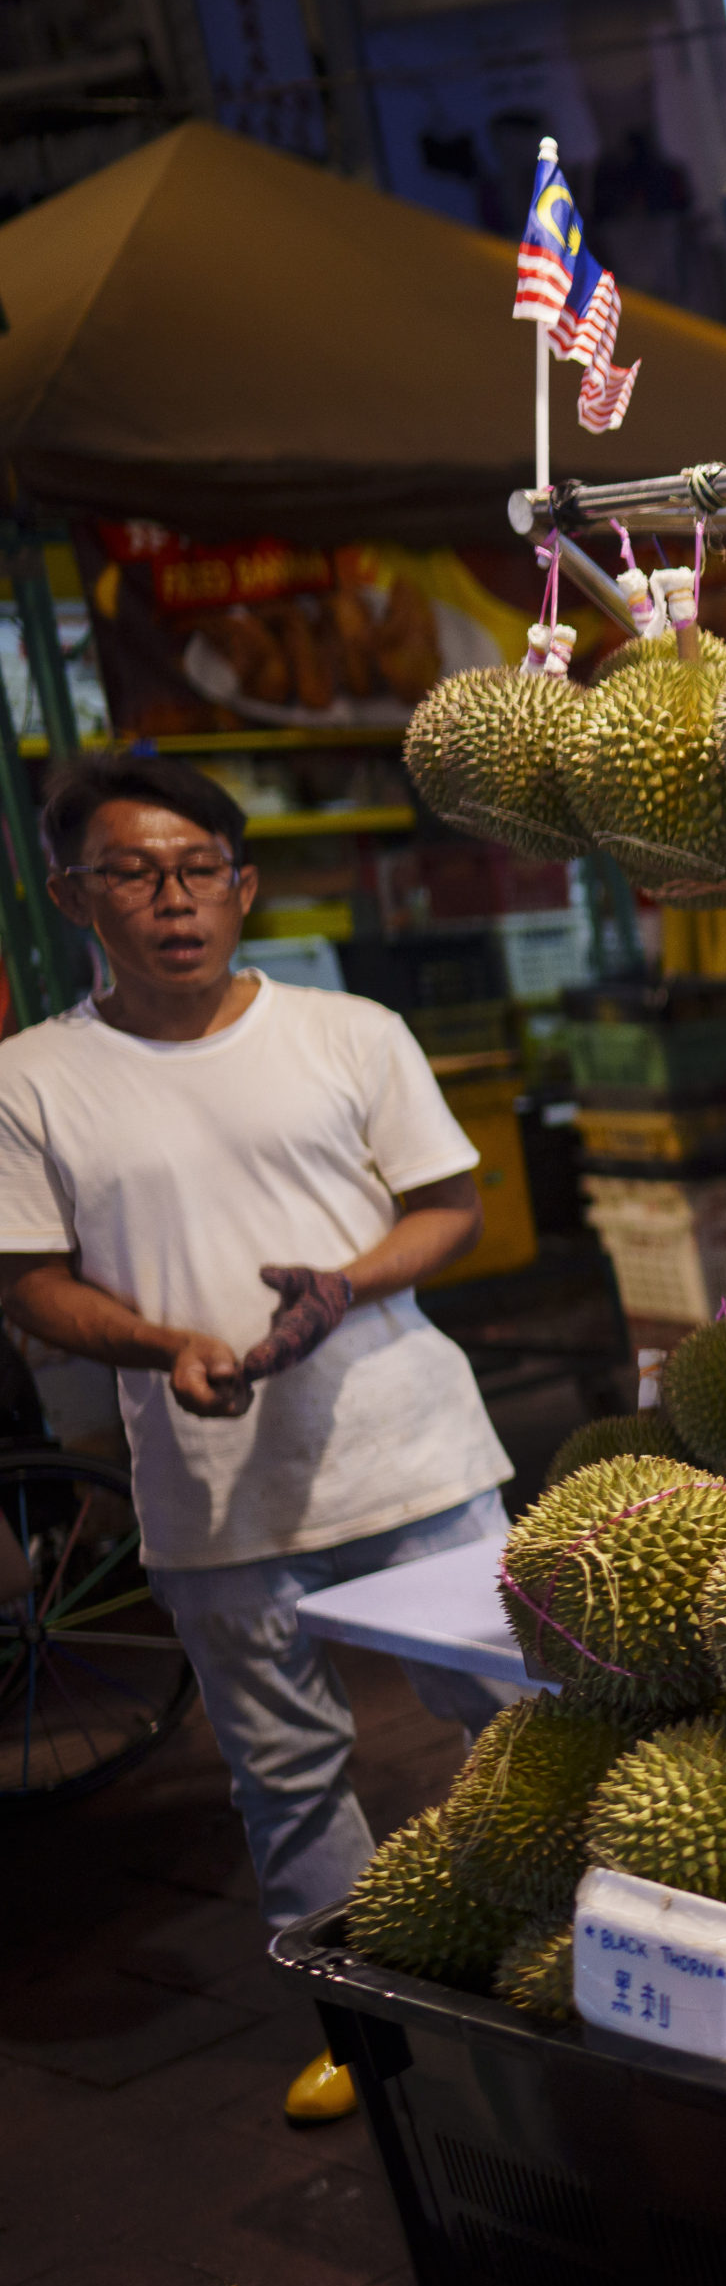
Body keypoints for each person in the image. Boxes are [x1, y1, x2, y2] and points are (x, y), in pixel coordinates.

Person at [0, 754, 525, 2124]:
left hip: (411, 1455)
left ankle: (579, 1957)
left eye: (195, 869)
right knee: (286, 1779)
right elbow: (29, 1282)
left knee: (525, 1725)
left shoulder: (349, 1031)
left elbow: (448, 1204)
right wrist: (164, 1344)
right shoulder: (32, 1081)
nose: (170, 899)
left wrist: (348, 1282)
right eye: (131, 871)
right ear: (73, 896)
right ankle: (362, 2024)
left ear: (242, 886)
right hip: (213, 1490)